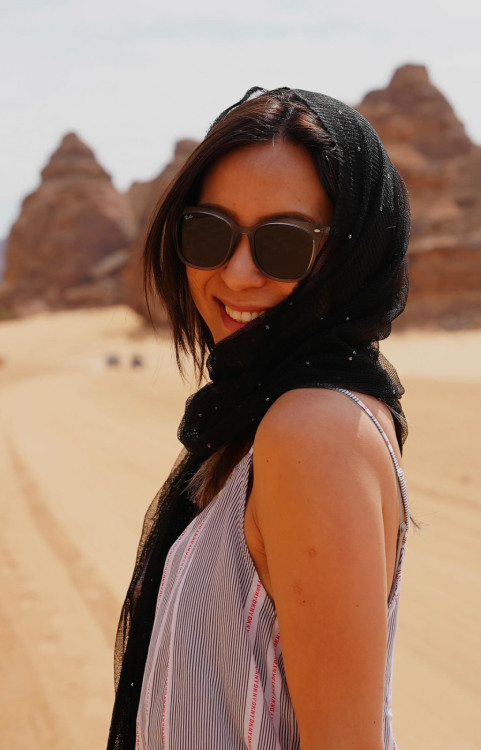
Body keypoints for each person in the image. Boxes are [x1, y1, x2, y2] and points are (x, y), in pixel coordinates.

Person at [107, 86, 413, 750]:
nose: (238, 273)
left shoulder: (313, 430)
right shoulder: (268, 417)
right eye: (208, 233)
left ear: (352, 253)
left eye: (284, 243)